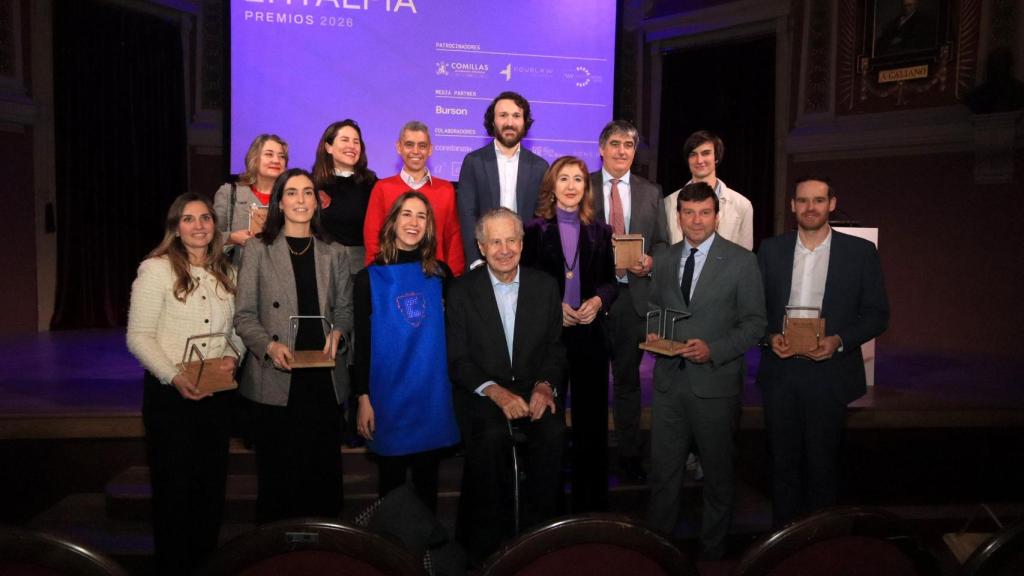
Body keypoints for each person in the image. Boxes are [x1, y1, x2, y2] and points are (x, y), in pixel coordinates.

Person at [756, 177, 889, 528]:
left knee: (823, 465)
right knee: (782, 465)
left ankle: (821, 541)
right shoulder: (770, 250)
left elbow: (877, 314)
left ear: (832, 203)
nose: (810, 207)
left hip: (830, 372)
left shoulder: (859, 253)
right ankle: (783, 543)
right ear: (792, 206)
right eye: (802, 201)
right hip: (781, 372)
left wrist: (839, 340)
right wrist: (770, 337)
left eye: (818, 200)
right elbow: (753, 311)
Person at [646, 182, 766, 559]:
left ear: (717, 216)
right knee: (664, 475)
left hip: (714, 385)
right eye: (688, 212)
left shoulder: (742, 261)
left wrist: (714, 349)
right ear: (678, 216)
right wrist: (654, 332)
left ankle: (713, 555)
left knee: (717, 476)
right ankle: (659, 554)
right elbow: (655, 306)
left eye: (704, 213)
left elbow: (754, 324)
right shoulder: (664, 260)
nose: (696, 220)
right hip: (668, 384)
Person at [126, 193, 242, 576]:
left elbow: (237, 329)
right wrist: (174, 377)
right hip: (170, 396)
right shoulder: (155, 269)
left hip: (216, 395)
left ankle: (205, 565)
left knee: (210, 493)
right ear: (175, 227)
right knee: (174, 495)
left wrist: (233, 355)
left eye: (205, 218)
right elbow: (139, 336)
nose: (199, 226)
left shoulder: (226, 271)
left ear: (214, 225)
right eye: (189, 219)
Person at [446, 208, 567, 563]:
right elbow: (459, 360)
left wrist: (545, 386)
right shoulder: (461, 290)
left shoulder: (545, 286)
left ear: (522, 243)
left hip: (534, 390)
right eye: (495, 241)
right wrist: (497, 394)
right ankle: (488, 549)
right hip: (483, 392)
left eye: (511, 240)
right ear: (481, 247)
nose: (504, 249)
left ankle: (538, 541)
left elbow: (555, 349)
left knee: (554, 435)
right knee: (490, 440)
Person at [233, 167, 353, 523]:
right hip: (276, 377)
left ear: (317, 203)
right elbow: (244, 316)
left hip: (323, 377)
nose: (301, 200)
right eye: (292, 193)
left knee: (323, 479)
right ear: (279, 203)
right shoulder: (257, 249)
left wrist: (340, 333)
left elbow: (345, 309)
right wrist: (269, 347)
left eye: (308, 193)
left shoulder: (335, 252)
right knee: (277, 481)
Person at [354, 191, 460, 512]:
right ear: (393, 220)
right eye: (406, 214)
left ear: (429, 227)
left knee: (428, 490)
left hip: (431, 396)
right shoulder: (367, 278)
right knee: (391, 492)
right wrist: (362, 397)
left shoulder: (441, 275)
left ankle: (426, 559)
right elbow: (362, 343)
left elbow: (455, 334)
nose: (413, 222)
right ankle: (390, 558)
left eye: (422, 216)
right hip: (388, 396)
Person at [522, 156, 616, 512]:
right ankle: (549, 503)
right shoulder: (532, 231)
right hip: (551, 339)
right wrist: (551, 309)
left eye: (578, 179)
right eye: (564, 178)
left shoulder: (600, 231)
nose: (572, 185)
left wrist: (598, 300)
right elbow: (525, 284)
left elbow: (610, 283)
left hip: (590, 335)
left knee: (592, 423)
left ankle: (590, 504)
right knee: (549, 424)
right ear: (552, 185)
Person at [589, 120, 668, 482]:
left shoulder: (651, 192)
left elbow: (664, 244)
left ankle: (629, 453)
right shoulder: (581, 186)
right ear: (602, 148)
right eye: (616, 144)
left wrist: (652, 261)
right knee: (586, 381)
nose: (622, 151)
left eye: (629, 145)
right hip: (589, 298)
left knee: (627, 381)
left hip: (631, 297)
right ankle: (587, 453)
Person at [457, 91, 550, 265]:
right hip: (484, 261)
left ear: (524, 122)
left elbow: (543, 221)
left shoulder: (540, 167)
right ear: (493, 121)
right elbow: (467, 216)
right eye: (503, 115)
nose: (509, 123)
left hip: (527, 263)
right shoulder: (474, 162)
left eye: (516, 116)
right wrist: (475, 260)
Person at [363, 121, 465, 275]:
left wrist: (454, 278)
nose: (416, 151)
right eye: (409, 145)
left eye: (422, 146)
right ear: (399, 147)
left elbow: (453, 238)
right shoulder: (382, 188)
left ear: (430, 150)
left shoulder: (446, 190)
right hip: (392, 276)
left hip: (434, 276)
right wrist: (377, 275)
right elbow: (373, 237)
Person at [664, 131, 754, 251]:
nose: (699, 160)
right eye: (693, 154)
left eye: (705, 153)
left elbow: (745, 257)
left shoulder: (742, 205)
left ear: (716, 157)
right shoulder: (669, 203)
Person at [312, 119, 378, 277]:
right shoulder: (312, 184)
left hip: (361, 267)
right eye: (345, 140)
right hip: (322, 266)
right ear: (328, 147)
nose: (351, 146)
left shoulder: (373, 184)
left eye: (356, 141)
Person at [213, 134, 289, 263]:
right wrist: (231, 238)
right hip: (237, 274)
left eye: (281, 156)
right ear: (254, 159)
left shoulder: (291, 198)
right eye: (269, 154)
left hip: (280, 275)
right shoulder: (229, 193)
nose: (276, 160)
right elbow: (210, 236)